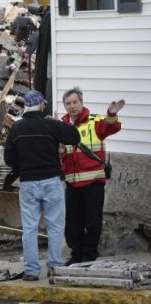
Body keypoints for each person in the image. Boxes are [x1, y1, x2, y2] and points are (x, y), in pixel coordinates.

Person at [5, 90, 80, 281]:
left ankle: (31, 271)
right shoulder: (50, 124)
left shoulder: (17, 128)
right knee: (55, 227)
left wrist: (22, 168)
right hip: (51, 181)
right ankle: (54, 267)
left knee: (29, 228)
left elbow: (8, 158)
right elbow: (74, 137)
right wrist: (59, 122)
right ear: (41, 105)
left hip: (28, 183)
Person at [60, 87, 124, 264]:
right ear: (65, 106)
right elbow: (60, 153)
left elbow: (112, 127)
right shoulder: (62, 126)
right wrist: (60, 152)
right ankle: (76, 255)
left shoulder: (95, 121)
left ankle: (90, 255)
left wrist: (111, 114)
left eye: (75, 102)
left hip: (93, 182)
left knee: (92, 222)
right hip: (72, 183)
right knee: (73, 223)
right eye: (68, 103)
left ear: (81, 103)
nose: (72, 106)